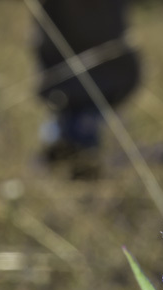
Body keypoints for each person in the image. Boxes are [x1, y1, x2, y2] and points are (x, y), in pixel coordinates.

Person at [32, 0, 140, 177]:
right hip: (74, 84)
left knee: (79, 118)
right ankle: (71, 148)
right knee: (73, 118)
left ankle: (75, 150)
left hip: (97, 82)